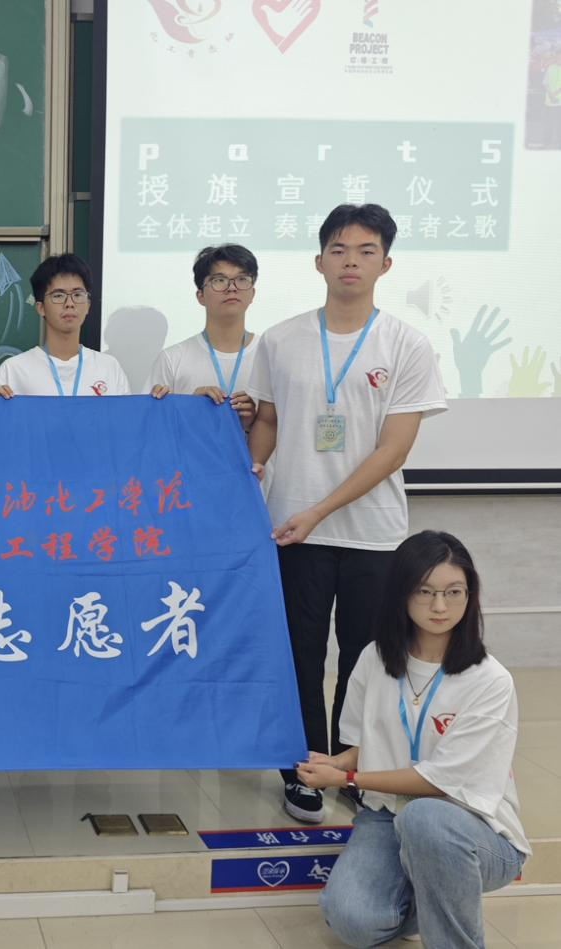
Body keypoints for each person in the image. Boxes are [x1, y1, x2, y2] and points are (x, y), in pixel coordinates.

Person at [247, 205, 446, 823]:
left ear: (386, 263)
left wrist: (320, 509)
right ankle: (304, 771)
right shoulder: (280, 339)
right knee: (300, 657)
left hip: (372, 534)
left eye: (365, 251)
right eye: (338, 249)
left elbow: (394, 450)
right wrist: (250, 474)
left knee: (365, 660)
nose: (350, 261)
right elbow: (267, 422)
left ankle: (351, 769)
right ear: (319, 261)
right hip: (292, 530)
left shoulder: (407, 344)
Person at [297, 530, 528, 948]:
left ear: (470, 595)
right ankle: (436, 892)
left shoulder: (490, 680)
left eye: (453, 592)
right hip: (388, 815)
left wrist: (346, 780)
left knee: (425, 818)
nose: (440, 606)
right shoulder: (374, 659)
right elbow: (368, 745)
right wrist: (338, 762)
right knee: (351, 920)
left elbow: (440, 783)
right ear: (401, 594)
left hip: (472, 825)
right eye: (425, 592)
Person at [0, 253, 130, 398]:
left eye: (77, 295)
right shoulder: (14, 370)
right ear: (41, 308)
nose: (69, 303)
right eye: (58, 296)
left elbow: (127, 413)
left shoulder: (109, 368)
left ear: (88, 306)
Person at [149, 244, 258, 430]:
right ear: (200, 296)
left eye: (242, 279)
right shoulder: (172, 358)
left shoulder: (270, 354)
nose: (232, 288)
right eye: (219, 280)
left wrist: (253, 422)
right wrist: (190, 409)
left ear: (252, 293)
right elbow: (152, 427)